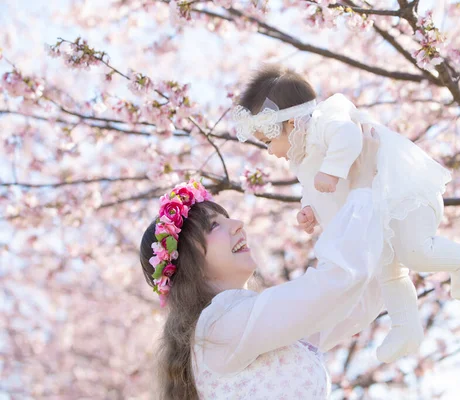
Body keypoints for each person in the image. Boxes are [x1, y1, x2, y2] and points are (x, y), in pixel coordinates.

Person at [232, 64, 460, 362]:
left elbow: (348, 138)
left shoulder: (326, 120)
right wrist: (308, 209)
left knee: (414, 252)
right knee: (388, 271)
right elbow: (315, 188)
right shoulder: (302, 159)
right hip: (377, 208)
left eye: (269, 141)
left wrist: (332, 171)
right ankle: (406, 328)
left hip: (400, 194)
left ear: (290, 123)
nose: (270, 151)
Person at [140, 128, 383, 399]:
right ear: (189, 264)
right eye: (214, 226)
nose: (238, 225)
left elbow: (354, 304)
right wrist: (362, 190)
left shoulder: (243, 323)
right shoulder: (219, 325)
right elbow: (333, 287)